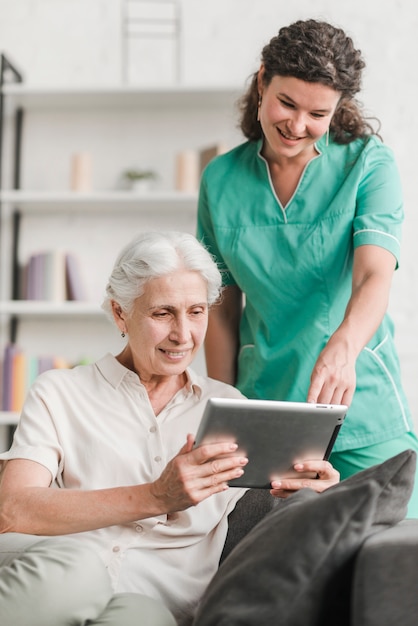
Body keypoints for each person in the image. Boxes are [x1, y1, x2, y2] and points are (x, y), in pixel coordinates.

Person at [0, 231, 339, 625]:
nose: (183, 334)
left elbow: (271, 522)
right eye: (163, 313)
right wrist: (157, 496)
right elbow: (12, 508)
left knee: (140, 618)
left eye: (196, 312)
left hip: (153, 602)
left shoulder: (232, 410)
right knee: (77, 572)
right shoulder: (60, 392)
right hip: (60, 581)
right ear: (120, 313)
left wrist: (313, 498)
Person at [196, 18, 418, 517]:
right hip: (268, 409)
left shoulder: (367, 163)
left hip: (361, 401)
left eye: (318, 113)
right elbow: (222, 307)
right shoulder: (221, 180)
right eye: (287, 103)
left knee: (394, 554)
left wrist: (343, 347)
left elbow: (373, 274)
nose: (297, 125)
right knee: (266, 556)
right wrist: (222, 406)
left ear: (339, 110)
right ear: (262, 82)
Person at [0, 534, 174, 626]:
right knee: (72, 569)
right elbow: (13, 509)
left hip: (131, 598)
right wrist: (154, 495)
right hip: (45, 559)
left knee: (147, 616)